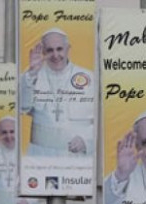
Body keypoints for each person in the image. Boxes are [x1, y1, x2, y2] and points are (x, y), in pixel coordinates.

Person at [19, 28, 95, 157]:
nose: (55, 55)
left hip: (76, 156)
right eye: (50, 50)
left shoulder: (89, 77)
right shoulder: (31, 76)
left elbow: (101, 120)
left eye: (59, 49)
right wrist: (32, 73)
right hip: (40, 155)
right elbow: (22, 107)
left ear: (68, 49)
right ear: (43, 52)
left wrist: (86, 140)